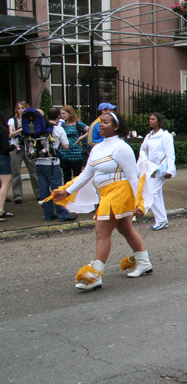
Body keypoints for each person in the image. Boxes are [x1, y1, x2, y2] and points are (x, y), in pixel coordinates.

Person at [52, 112, 155, 289]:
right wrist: (66, 191)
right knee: (126, 229)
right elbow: (86, 175)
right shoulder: (97, 148)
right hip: (106, 193)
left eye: (106, 123)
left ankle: (94, 275)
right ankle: (144, 262)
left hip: (119, 192)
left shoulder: (122, 148)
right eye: (100, 122)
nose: (101, 125)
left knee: (101, 231)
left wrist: (140, 202)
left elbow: (133, 177)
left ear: (115, 127)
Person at [137, 112, 175, 230]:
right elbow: (142, 150)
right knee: (156, 194)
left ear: (159, 121)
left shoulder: (165, 135)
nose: (150, 121)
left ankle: (159, 218)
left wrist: (170, 169)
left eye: (153, 119)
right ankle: (162, 219)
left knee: (150, 193)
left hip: (160, 170)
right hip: (150, 169)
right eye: (149, 119)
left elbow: (170, 154)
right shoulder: (148, 136)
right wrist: (142, 163)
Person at [34, 108, 74, 222]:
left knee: (43, 189)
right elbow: (66, 146)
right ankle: (62, 214)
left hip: (38, 162)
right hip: (52, 162)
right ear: (58, 117)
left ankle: (48, 214)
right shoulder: (58, 129)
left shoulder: (39, 129)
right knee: (56, 189)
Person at [7, 101, 40, 203]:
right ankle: (17, 195)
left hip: (28, 146)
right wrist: (20, 129)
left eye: (22, 108)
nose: (20, 110)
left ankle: (39, 193)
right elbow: (10, 134)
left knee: (33, 171)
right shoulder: (13, 121)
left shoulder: (30, 120)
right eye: (19, 108)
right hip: (16, 147)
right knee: (15, 172)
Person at [58, 105, 89, 182]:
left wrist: (81, 137)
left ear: (70, 113)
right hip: (65, 153)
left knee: (77, 176)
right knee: (66, 176)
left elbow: (90, 130)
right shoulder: (62, 124)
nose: (62, 115)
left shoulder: (77, 123)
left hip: (76, 153)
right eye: (61, 114)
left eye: (64, 113)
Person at [0, 110, 14, 221]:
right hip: (3, 158)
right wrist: (13, 146)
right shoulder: (3, 132)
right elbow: (5, 148)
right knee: (6, 183)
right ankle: (0, 210)